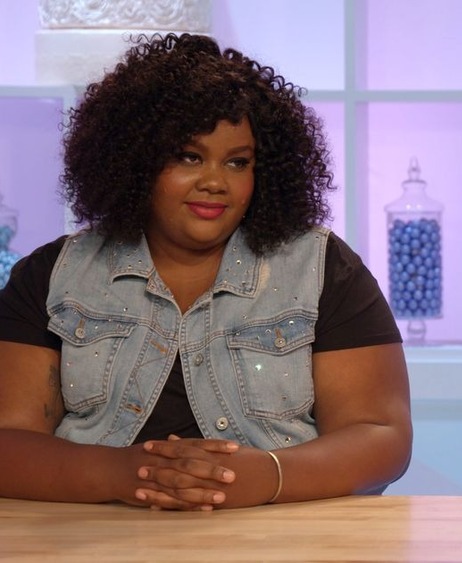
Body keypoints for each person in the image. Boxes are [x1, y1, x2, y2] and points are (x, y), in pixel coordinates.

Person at [0, 33, 412, 510]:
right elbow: (8, 440)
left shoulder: (324, 269)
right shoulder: (53, 275)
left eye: (238, 162)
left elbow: (382, 436)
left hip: (283, 535)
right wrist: (122, 474)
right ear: (135, 162)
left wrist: (269, 476)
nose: (215, 182)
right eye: (188, 157)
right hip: (92, 537)